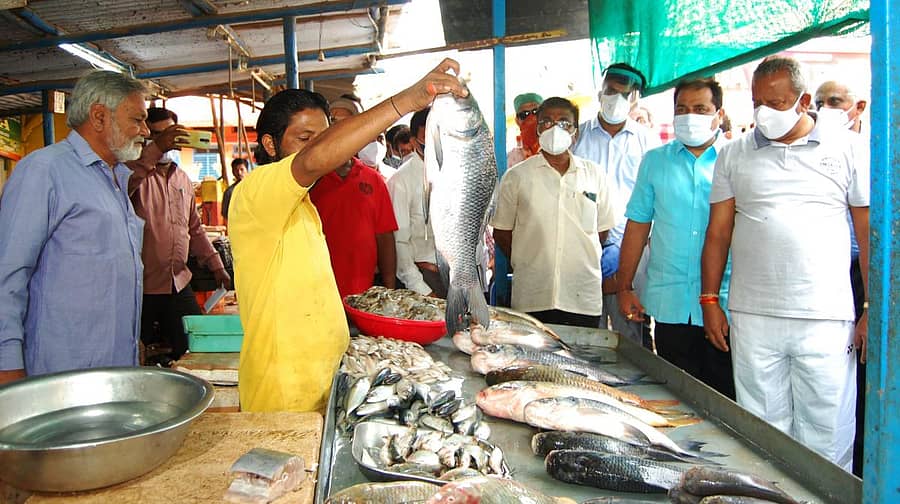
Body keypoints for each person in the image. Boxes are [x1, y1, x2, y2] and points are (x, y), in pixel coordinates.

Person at [228, 59, 466, 412]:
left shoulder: (303, 203)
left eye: (325, 137)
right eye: (305, 139)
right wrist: (407, 100)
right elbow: (312, 161)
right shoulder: (256, 191)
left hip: (318, 383)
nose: (321, 149)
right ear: (270, 144)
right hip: (282, 390)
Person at [701, 57, 869, 470]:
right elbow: (718, 232)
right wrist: (709, 300)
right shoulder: (734, 154)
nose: (763, 114)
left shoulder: (847, 147)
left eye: (775, 103)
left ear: (804, 100)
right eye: (757, 103)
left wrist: (871, 307)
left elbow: (869, 235)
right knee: (761, 433)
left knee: (827, 435)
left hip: (825, 318)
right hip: (753, 316)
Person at [0, 70, 149, 384]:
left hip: (115, 372)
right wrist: (7, 365)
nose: (145, 130)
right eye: (137, 120)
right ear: (98, 117)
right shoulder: (44, 171)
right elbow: (8, 275)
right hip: (61, 375)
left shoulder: (116, 179)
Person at [617, 78, 734, 399]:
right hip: (670, 305)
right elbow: (638, 225)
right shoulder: (656, 161)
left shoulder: (734, 159)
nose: (689, 115)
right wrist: (625, 286)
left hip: (726, 304)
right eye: (682, 109)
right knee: (675, 398)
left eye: (700, 109)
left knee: (726, 398)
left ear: (718, 114)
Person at [492, 97, 616, 327]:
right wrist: (529, 258)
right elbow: (501, 233)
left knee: (579, 359)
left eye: (564, 123)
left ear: (575, 133)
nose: (554, 128)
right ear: (538, 129)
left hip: (582, 296)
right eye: (547, 122)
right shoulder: (517, 176)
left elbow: (602, 231)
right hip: (532, 296)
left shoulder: (594, 175)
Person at [129, 107, 231, 363]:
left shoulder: (182, 179)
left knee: (193, 348)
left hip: (178, 281)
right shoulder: (132, 176)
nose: (165, 143)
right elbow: (125, 182)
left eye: (170, 135)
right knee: (135, 354)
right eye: (157, 136)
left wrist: (216, 265)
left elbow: (194, 228)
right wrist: (155, 149)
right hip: (141, 287)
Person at [572, 63, 661, 343]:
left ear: (635, 99)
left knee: (631, 332)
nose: (616, 99)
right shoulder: (578, 136)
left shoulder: (647, 142)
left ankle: (632, 388)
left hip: (631, 249)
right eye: (611, 91)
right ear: (600, 92)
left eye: (625, 94)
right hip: (584, 246)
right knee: (587, 330)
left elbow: (654, 198)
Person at [815, 79, 869, 476]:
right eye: (819, 102)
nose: (826, 108)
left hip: (866, 275)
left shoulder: (873, 151)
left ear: (858, 106)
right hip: (831, 277)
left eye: (836, 101)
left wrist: (870, 303)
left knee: (866, 381)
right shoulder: (816, 152)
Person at [309, 99, 398, 298]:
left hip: (363, 295)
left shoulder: (373, 180)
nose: (340, 129)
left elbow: (385, 238)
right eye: (333, 122)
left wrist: (389, 289)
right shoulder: (310, 178)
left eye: (347, 123)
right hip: (317, 295)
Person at [387, 107, 445, 298]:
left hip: (456, 279)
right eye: (429, 135)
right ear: (413, 141)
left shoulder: (455, 173)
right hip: (425, 279)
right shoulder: (401, 181)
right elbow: (399, 242)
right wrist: (422, 289)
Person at [507, 92, 543, 168]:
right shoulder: (511, 158)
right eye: (524, 115)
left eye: (535, 112)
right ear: (517, 121)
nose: (531, 117)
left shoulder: (557, 146)